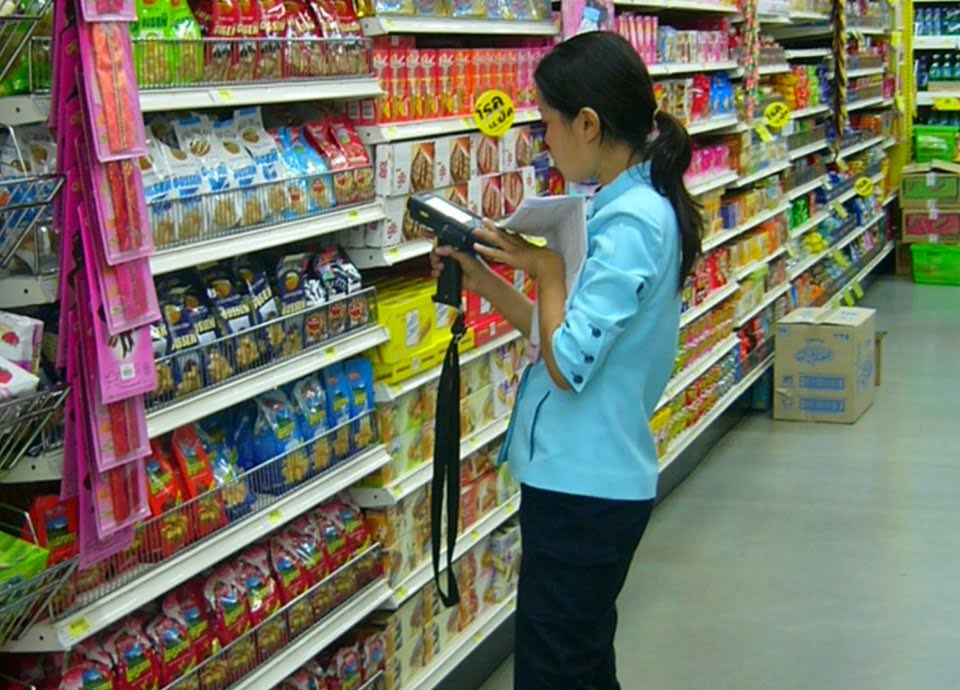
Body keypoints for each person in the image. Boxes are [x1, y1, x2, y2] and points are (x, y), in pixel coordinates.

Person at [431, 31, 703, 689]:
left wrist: (548, 268)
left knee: (555, 671)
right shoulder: (622, 208)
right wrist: (489, 281)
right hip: (588, 482)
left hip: (585, 489)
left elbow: (569, 364)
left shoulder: (631, 222)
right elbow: (565, 336)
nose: (542, 137)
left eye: (547, 121)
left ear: (588, 122)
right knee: (580, 662)